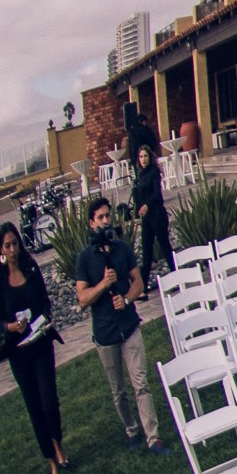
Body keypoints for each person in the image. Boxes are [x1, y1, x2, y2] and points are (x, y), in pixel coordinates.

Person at [72, 198, 168, 455]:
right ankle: (131, 430)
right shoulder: (84, 258)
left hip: (129, 325)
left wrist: (126, 299)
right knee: (118, 391)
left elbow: (138, 282)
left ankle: (153, 436)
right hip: (105, 333)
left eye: (108, 216)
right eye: (100, 218)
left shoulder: (123, 249)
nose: (105, 221)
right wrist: (103, 285)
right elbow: (82, 299)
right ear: (92, 223)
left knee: (141, 383)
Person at [0, 227, 68, 474]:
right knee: (34, 405)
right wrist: (11, 327)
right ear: (0, 250)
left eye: (15, 244)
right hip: (19, 351)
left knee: (48, 401)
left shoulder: (31, 269)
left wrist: (42, 320)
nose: (12, 251)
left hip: (41, 342)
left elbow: (45, 301)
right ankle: (50, 458)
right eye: (7, 246)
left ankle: (58, 442)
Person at [132, 143, 171, 282]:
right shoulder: (139, 175)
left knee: (165, 247)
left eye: (145, 156)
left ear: (150, 157)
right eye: (141, 157)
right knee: (146, 251)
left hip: (157, 215)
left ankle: (177, 274)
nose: (143, 159)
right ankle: (143, 286)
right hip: (146, 219)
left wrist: (147, 205)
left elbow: (157, 194)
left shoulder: (154, 172)